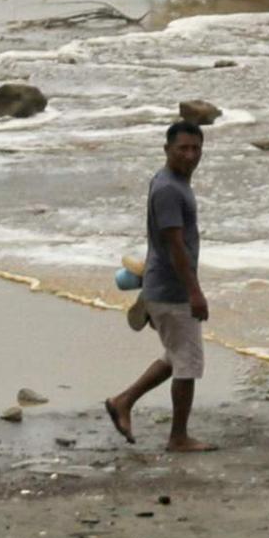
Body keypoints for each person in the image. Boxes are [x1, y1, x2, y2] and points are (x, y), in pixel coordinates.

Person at [105, 121, 215, 452]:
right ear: (166, 149)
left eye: (196, 148)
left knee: (174, 357)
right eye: (182, 148)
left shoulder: (170, 181)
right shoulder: (169, 189)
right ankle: (178, 437)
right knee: (187, 364)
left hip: (162, 285)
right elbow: (174, 245)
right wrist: (194, 292)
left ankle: (123, 401)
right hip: (172, 291)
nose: (190, 154)